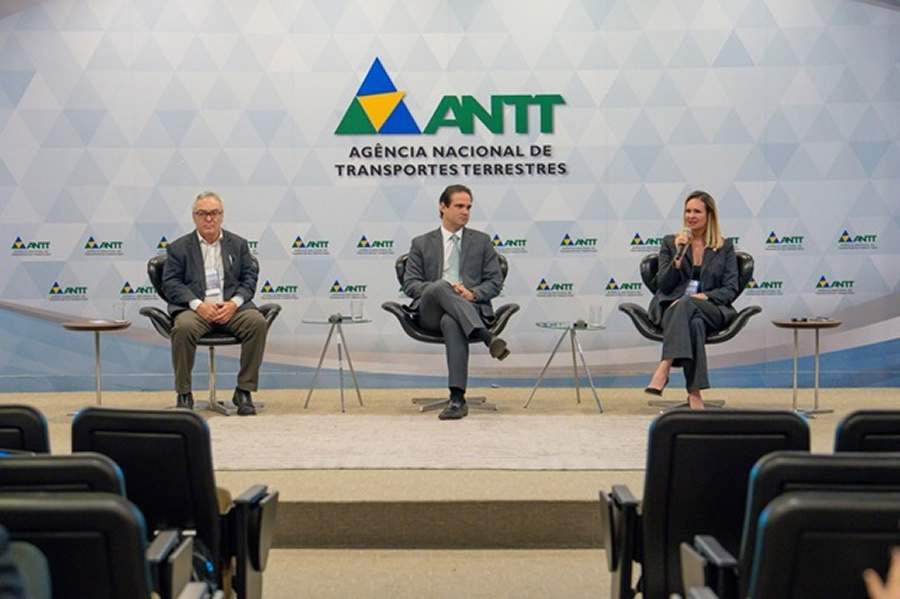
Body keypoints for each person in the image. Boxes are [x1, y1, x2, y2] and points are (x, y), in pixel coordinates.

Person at [402, 184, 511, 420]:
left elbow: (495, 281)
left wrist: (472, 294)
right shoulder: (421, 243)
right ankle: (487, 337)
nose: (466, 212)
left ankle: (457, 398)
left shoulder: (482, 241)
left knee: (452, 321)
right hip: (429, 312)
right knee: (441, 285)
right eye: (459, 206)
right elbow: (410, 284)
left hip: (467, 309)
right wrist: (444, 289)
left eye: (469, 207)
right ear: (443, 207)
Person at [162, 191, 267, 416]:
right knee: (183, 328)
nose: (209, 219)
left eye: (214, 213)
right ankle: (184, 393)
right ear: (194, 217)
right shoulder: (178, 248)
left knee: (257, 323)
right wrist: (198, 304)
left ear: (222, 215)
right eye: (203, 214)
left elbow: (249, 278)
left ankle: (243, 391)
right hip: (197, 310)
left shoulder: (238, 244)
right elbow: (170, 283)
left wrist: (234, 303)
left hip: (232, 308)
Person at [643, 190, 738, 410]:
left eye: (697, 211)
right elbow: (663, 286)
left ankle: (664, 366)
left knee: (687, 303)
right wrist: (677, 256)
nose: (691, 216)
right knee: (693, 323)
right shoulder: (670, 243)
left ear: (709, 215)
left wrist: (704, 296)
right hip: (675, 311)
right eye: (687, 211)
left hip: (711, 309)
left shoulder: (724, 247)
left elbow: (730, 289)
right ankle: (695, 394)